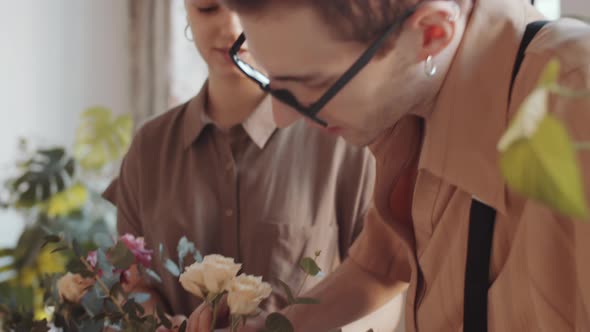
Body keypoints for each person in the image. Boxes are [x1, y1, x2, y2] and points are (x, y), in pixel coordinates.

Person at [188, 0, 590, 330]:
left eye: (311, 85)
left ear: (431, 33)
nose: (281, 117)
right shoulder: (415, 96)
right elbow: (381, 262)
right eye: (267, 76)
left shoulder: (577, 104)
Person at [104, 0, 405, 331]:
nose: (231, 27)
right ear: (186, 11)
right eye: (208, 8)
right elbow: (134, 285)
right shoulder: (149, 149)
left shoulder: (342, 136)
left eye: (248, 7)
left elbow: (385, 282)